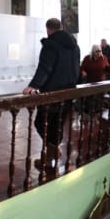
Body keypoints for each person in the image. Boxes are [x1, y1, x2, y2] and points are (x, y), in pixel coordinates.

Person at [23, 18, 80, 171]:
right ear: (61, 27)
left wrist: (33, 86)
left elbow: (45, 68)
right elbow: (76, 69)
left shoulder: (50, 45)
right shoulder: (75, 46)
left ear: (48, 29)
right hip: (68, 93)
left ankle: (50, 156)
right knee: (57, 126)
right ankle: (52, 154)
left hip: (51, 94)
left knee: (41, 123)